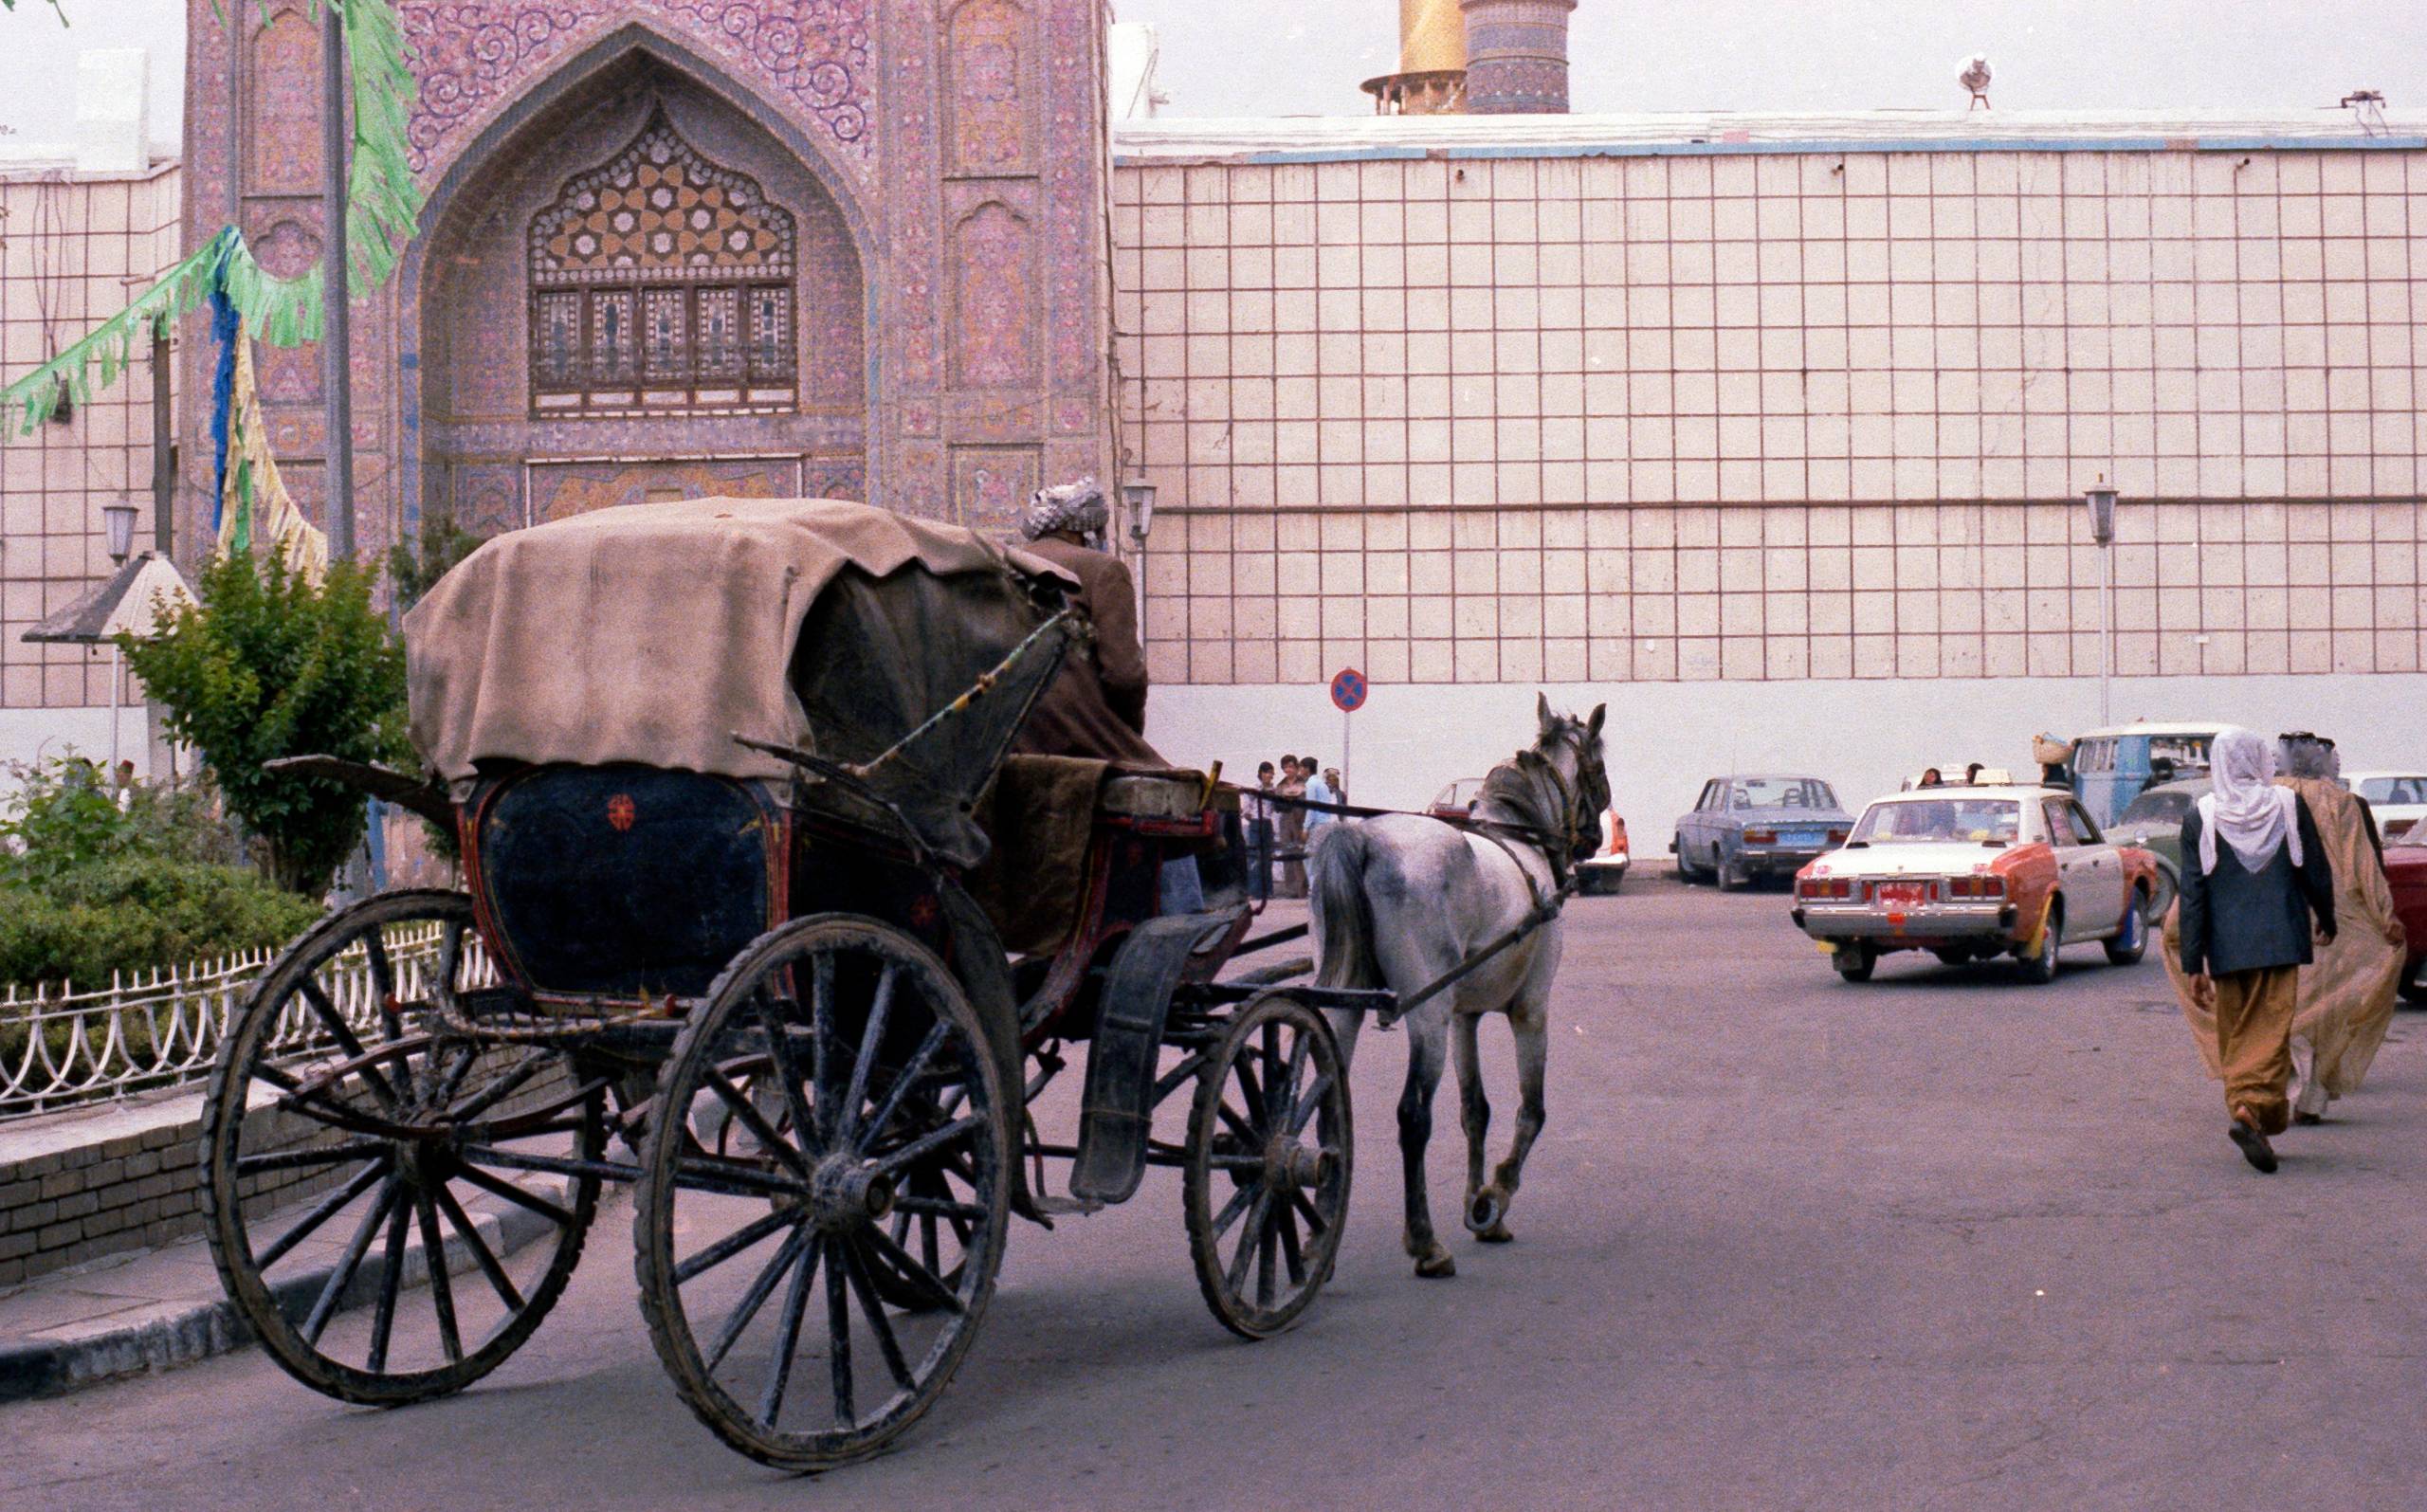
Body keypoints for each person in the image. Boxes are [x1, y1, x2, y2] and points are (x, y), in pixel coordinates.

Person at [2173, 726, 2337, 1173]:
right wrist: (2327, 916)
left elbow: (2193, 895)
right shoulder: (2286, 804)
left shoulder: (2200, 816)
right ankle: (2250, 1109)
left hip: (2226, 948)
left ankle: (2251, 1115)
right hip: (2281, 936)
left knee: (2239, 1032)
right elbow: (2314, 868)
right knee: (2269, 1032)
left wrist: (2194, 962)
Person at [2273, 734, 2405, 1122]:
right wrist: (2386, 916)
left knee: (2286, 1005)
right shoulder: (2340, 803)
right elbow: (2364, 868)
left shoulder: (2267, 796)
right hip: (2331, 922)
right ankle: (2309, 1100)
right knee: (2321, 1013)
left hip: (2279, 915)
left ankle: (2277, 1089)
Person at [1008, 478, 1162, 765]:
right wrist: (1127, 733)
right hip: (1077, 734)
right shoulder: (1103, 569)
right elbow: (1124, 676)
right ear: (1084, 529)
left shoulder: (1002, 566)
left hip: (1007, 738)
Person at [1275, 755, 1309, 899]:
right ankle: (1291, 890)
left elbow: (1307, 803)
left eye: (1291, 766)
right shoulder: (1280, 785)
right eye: (1286, 767)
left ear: (1296, 768)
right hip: (1285, 822)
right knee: (1287, 854)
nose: (1289, 769)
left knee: (1301, 855)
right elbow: (1277, 805)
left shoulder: (1304, 783)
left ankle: (1303, 889)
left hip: (1300, 821)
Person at [1245, 761, 1278, 902]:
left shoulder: (1273, 789)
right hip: (1256, 822)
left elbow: (1275, 808)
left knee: (1267, 858)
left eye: (1271, 773)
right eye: (1266, 772)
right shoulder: (1254, 787)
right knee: (1255, 857)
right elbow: (1246, 807)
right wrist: (1251, 817)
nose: (1269, 775)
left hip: (1267, 822)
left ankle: (1268, 891)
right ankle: (1254, 891)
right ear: (1261, 773)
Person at [1304, 758, 1339, 839]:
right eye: (1329, 778)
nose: (1331, 781)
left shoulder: (1340, 795)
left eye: (1334, 779)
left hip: (1333, 827)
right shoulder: (1320, 789)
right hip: (1321, 825)